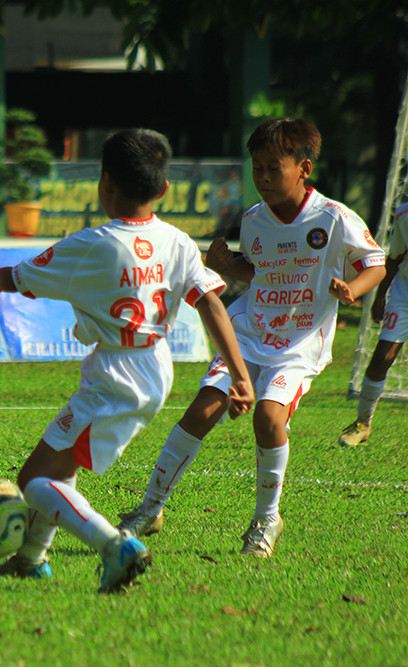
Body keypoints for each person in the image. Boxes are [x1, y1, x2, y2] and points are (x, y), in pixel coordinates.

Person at [0, 128, 253, 592]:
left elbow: (21, 277)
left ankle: (114, 546)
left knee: (34, 481)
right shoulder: (178, 241)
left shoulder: (93, 244)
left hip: (115, 374)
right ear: (163, 189)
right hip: (156, 365)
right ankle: (31, 560)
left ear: (104, 184)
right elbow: (212, 304)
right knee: (62, 470)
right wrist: (241, 378)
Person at [118, 118, 387, 559]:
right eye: (256, 167)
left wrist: (352, 290)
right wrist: (226, 263)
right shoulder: (254, 219)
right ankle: (150, 508)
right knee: (202, 410)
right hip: (249, 330)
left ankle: (266, 519)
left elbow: (374, 263)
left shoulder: (335, 217)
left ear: (303, 168)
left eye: (272, 168)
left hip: (298, 345)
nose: (261, 178)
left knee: (268, 419)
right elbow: (257, 269)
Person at [338, 199, 408, 446]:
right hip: (405, 293)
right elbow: (395, 258)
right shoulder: (404, 214)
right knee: (382, 358)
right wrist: (381, 295)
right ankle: (362, 424)